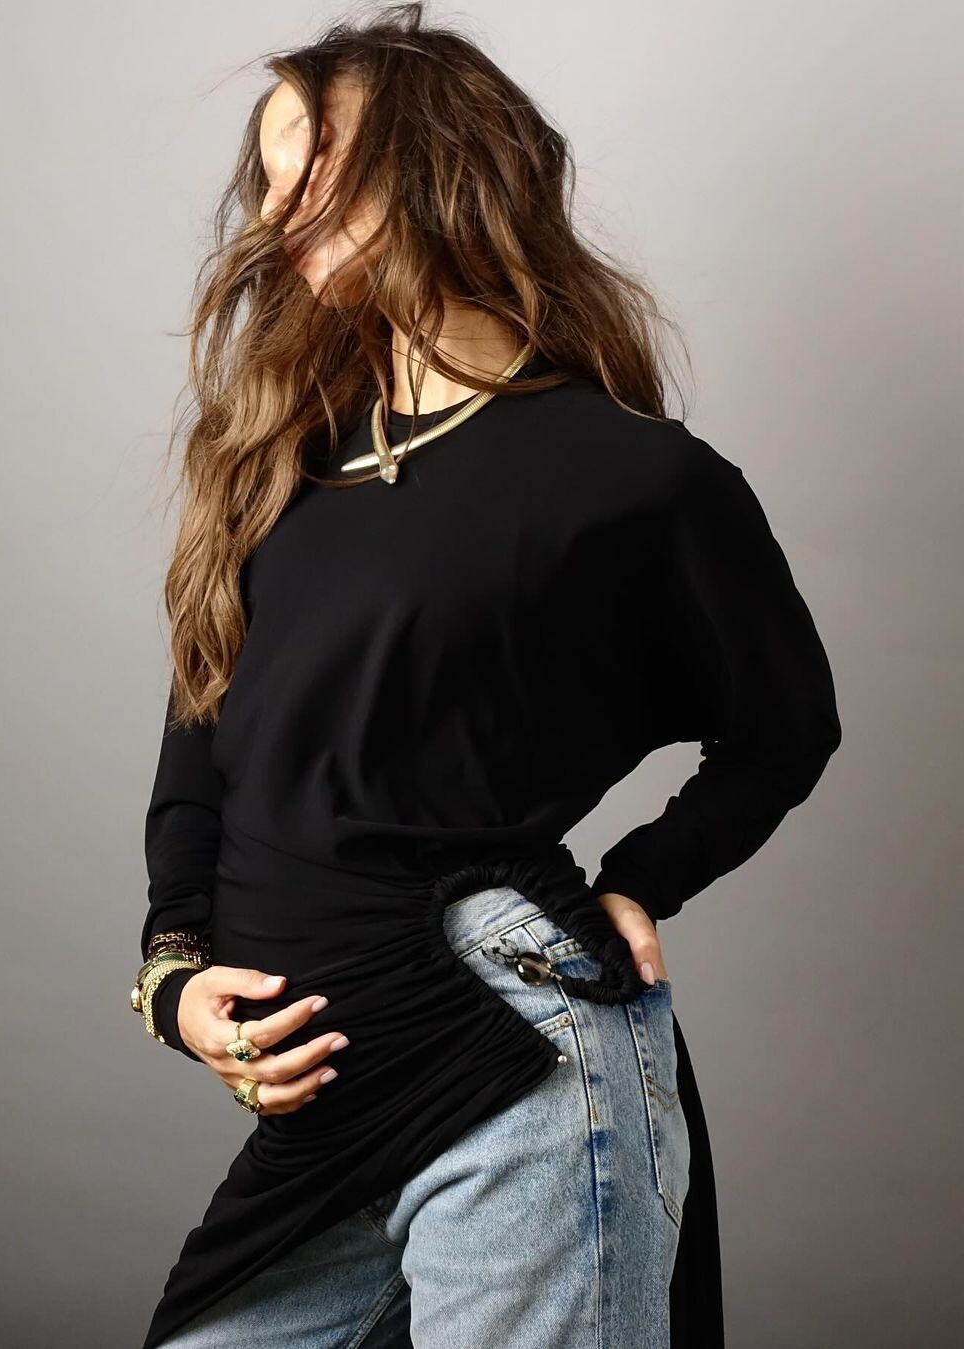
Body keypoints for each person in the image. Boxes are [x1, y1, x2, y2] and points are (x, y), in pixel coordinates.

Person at [129, 6, 842, 1348]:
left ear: (433, 162)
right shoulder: (280, 459)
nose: (275, 209)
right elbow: (199, 747)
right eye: (265, 176)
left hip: (511, 1057)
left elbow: (786, 726)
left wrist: (642, 877)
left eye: (311, 164)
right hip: (329, 1107)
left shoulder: (633, 476)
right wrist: (173, 974)